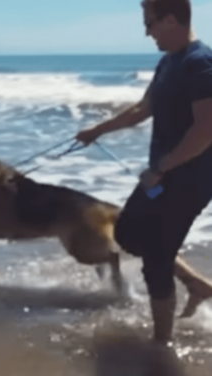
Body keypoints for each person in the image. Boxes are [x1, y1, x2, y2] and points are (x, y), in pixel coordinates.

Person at [76, 0, 212, 345]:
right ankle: (196, 284)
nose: (147, 32)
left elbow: (206, 130)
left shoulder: (200, 64)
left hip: (190, 178)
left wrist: (162, 168)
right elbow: (144, 107)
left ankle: (161, 344)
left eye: (149, 23)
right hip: (162, 175)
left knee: (156, 258)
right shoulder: (169, 62)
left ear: (169, 19)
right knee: (128, 231)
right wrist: (98, 130)